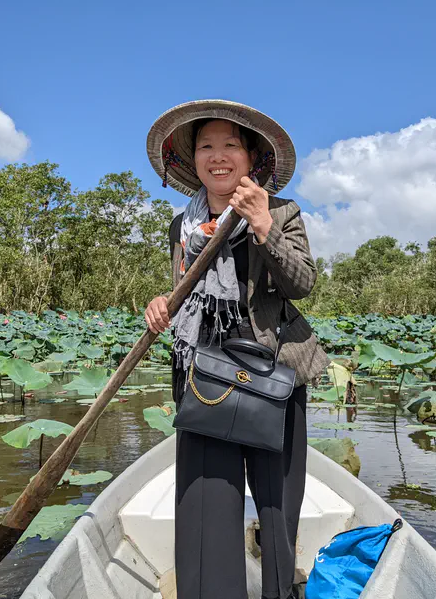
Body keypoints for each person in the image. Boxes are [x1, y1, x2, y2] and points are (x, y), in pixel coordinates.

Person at [144, 100, 330, 599]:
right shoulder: (181, 227)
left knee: (277, 503)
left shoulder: (283, 213)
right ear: (194, 159)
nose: (218, 155)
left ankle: (279, 591)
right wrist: (162, 303)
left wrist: (263, 226)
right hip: (206, 377)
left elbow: (302, 284)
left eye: (231, 145)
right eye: (207, 145)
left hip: (273, 375)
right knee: (206, 503)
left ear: (250, 159)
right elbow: (182, 291)